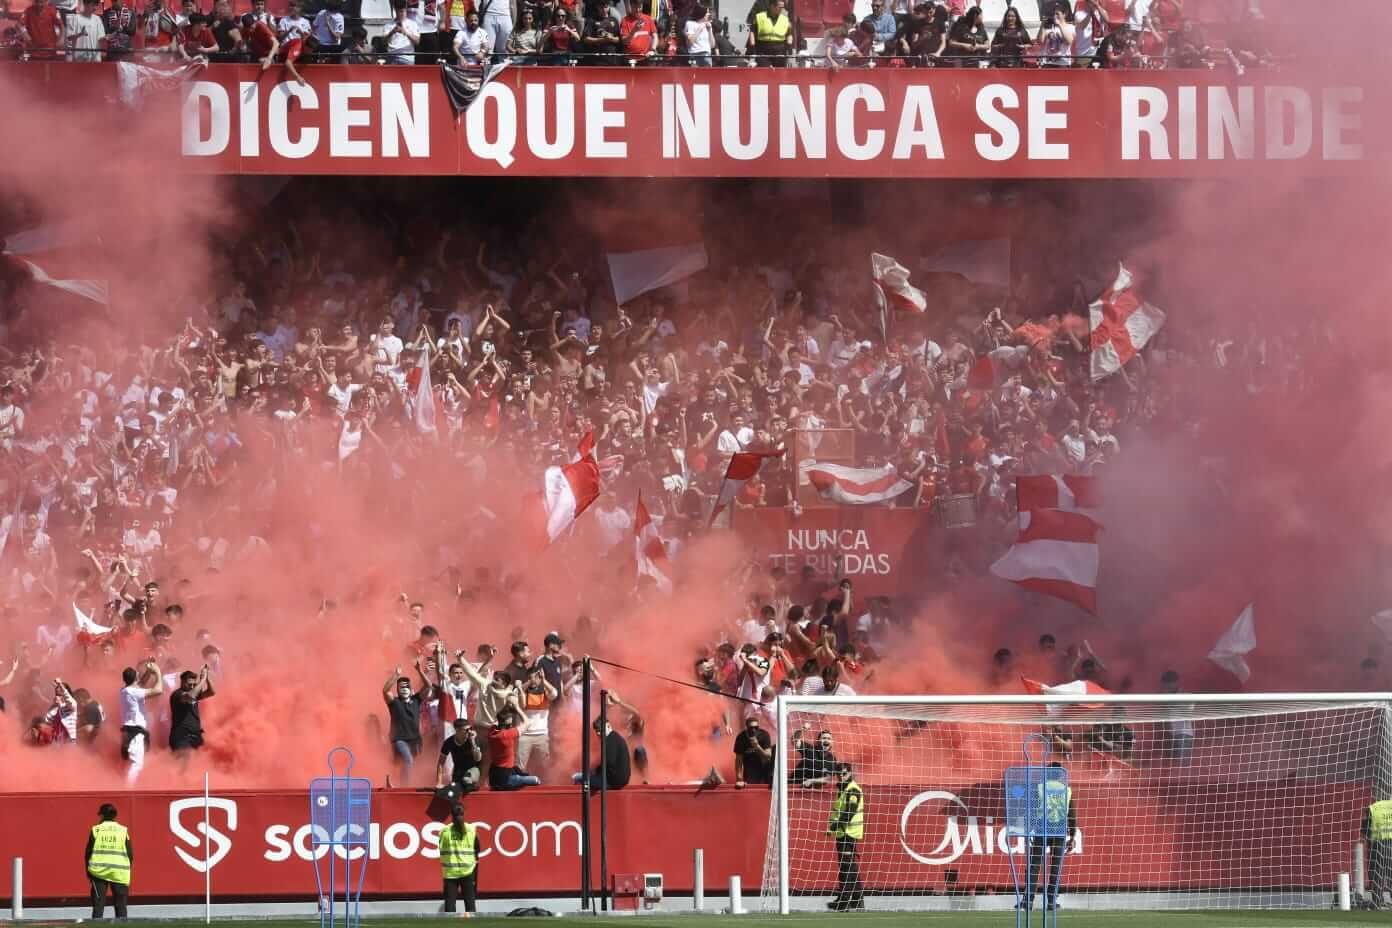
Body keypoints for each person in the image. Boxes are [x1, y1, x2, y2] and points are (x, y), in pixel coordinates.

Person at [1023, 761, 1075, 912]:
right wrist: (1072, 835)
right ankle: (1052, 902)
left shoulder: (1039, 788)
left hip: (1042, 828)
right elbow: (1072, 815)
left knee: (1034, 867)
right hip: (1059, 830)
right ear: (1060, 775)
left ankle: (1028, 901)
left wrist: (1029, 829)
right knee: (1055, 867)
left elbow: (1032, 810)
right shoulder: (1066, 790)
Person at [382, 664, 432, 781]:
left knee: (410, 763)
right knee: (407, 759)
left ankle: (396, 780)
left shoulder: (416, 699)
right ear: (398, 689)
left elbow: (428, 686)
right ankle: (404, 785)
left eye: (407, 687)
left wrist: (420, 671)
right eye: (401, 687)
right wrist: (396, 675)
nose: (404, 689)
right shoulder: (394, 702)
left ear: (411, 689)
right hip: (399, 739)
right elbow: (385, 690)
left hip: (415, 739)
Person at [827, 762, 864, 911]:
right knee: (849, 867)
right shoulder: (844, 789)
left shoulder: (853, 790)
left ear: (850, 774)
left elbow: (850, 811)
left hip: (848, 833)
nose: (841, 776)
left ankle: (844, 900)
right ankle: (856, 900)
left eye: (844, 774)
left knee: (846, 868)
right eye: (839, 774)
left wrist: (836, 825)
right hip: (843, 832)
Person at [119, 661, 163, 784]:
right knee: (136, 764)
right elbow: (158, 690)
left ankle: (127, 787)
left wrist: (149, 671)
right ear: (135, 677)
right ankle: (128, 791)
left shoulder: (125, 690)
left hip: (129, 731)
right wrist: (158, 672)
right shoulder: (133, 692)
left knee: (132, 763)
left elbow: (140, 683)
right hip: (134, 733)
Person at [86, 803, 132, 919]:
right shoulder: (123, 830)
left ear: (101, 816)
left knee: (98, 906)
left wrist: (88, 871)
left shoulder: (96, 830)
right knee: (121, 906)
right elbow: (130, 853)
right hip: (119, 872)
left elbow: (88, 853)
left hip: (98, 872)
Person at [486, 708, 542, 791]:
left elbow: (497, 721)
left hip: (494, 777)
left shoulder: (492, 731)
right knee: (536, 780)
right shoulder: (507, 735)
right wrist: (517, 707)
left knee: (520, 771)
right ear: (507, 722)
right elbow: (528, 723)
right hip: (506, 779)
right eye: (511, 720)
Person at [439, 803, 480, 915]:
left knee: (450, 905)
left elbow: (441, 848)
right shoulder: (471, 830)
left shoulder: (444, 831)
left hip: (450, 872)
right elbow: (477, 849)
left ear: (451, 816)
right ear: (464, 814)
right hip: (468, 871)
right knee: (470, 905)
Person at [169, 663, 214, 752]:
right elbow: (190, 697)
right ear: (182, 682)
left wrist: (206, 677)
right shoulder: (177, 694)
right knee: (185, 764)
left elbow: (211, 692)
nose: (192, 687)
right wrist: (202, 680)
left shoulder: (193, 693)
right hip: (182, 738)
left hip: (196, 736)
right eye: (190, 684)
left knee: (199, 763)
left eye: (194, 684)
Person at [437, 718, 483, 792]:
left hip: (473, 770)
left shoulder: (473, 739)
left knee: (466, 780)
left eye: (470, 728)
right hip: (458, 772)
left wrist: (472, 742)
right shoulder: (449, 742)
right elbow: (441, 762)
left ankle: (472, 786)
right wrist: (439, 783)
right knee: (455, 789)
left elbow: (478, 759)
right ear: (457, 730)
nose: (470, 731)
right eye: (466, 730)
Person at [733, 714, 774, 788]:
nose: (753, 730)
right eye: (751, 728)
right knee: (751, 788)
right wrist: (739, 778)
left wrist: (757, 746)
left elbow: (768, 756)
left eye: (756, 727)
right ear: (747, 728)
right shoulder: (741, 737)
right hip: (750, 765)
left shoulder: (764, 735)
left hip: (765, 764)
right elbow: (739, 760)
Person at [1364, 798, 1391, 907]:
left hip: (1378, 845)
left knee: (1376, 874)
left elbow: (1365, 830)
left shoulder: (1373, 808)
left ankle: (1377, 901)